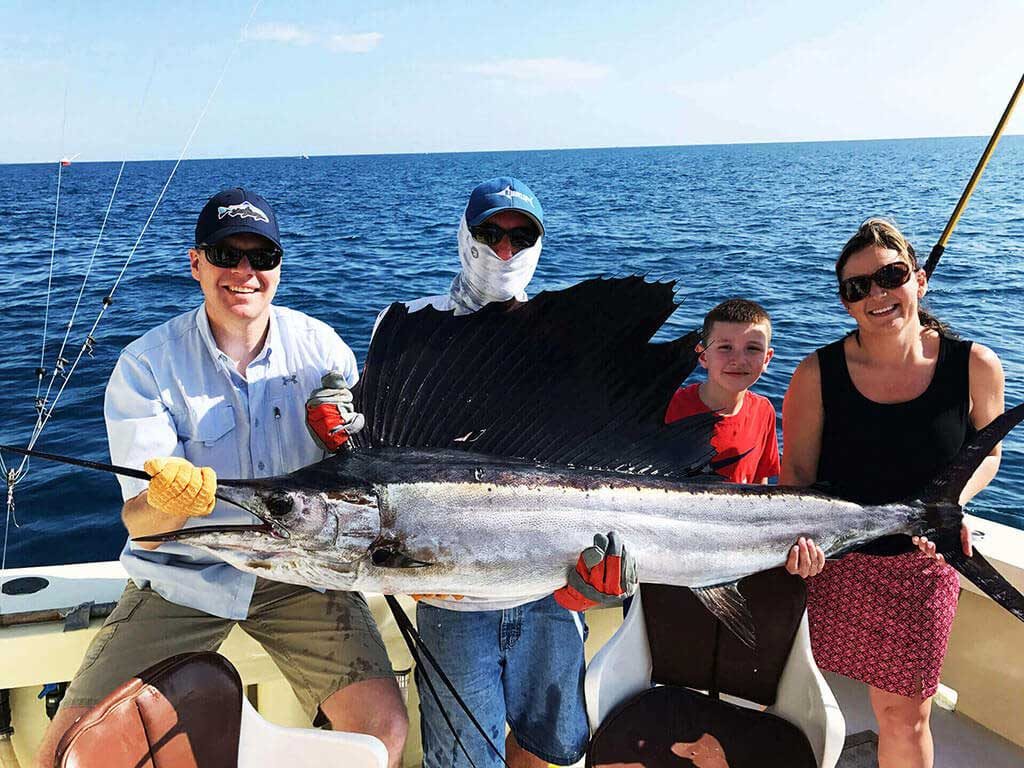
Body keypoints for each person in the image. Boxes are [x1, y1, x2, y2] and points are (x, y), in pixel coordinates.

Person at [36, 188, 407, 768]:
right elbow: (145, 526)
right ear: (196, 263)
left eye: (261, 257)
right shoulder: (146, 366)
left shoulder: (322, 351)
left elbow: (359, 475)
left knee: (382, 729)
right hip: (187, 574)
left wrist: (348, 440)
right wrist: (167, 502)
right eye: (224, 254)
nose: (244, 272)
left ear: (279, 267)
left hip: (301, 571)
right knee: (62, 752)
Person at [309, 177, 635, 768]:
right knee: (463, 759)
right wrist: (337, 426)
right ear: (465, 236)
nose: (504, 250)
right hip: (449, 591)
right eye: (490, 233)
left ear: (538, 243)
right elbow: (379, 455)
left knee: (554, 746)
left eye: (520, 235)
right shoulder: (409, 324)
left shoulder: (566, 333)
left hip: (553, 587)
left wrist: (608, 574)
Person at [781, 218, 1004, 768]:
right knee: (798, 699)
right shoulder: (815, 373)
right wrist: (804, 549)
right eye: (858, 288)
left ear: (919, 280)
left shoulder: (974, 365)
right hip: (833, 564)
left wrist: (951, 510)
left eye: (891, 276)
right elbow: (797, 477)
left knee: (905, 717)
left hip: (923, 566)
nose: (877, 294)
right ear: (846, 303)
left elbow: (988, 453)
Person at [665, 298, 825, 577]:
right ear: (702, 356)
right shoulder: (669, 409)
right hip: (673, 550)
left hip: (737, 555)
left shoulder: (763, 409)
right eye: (725, 348)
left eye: (752, 349)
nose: (738, 360)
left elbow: (760, 487)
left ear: (767, 359)